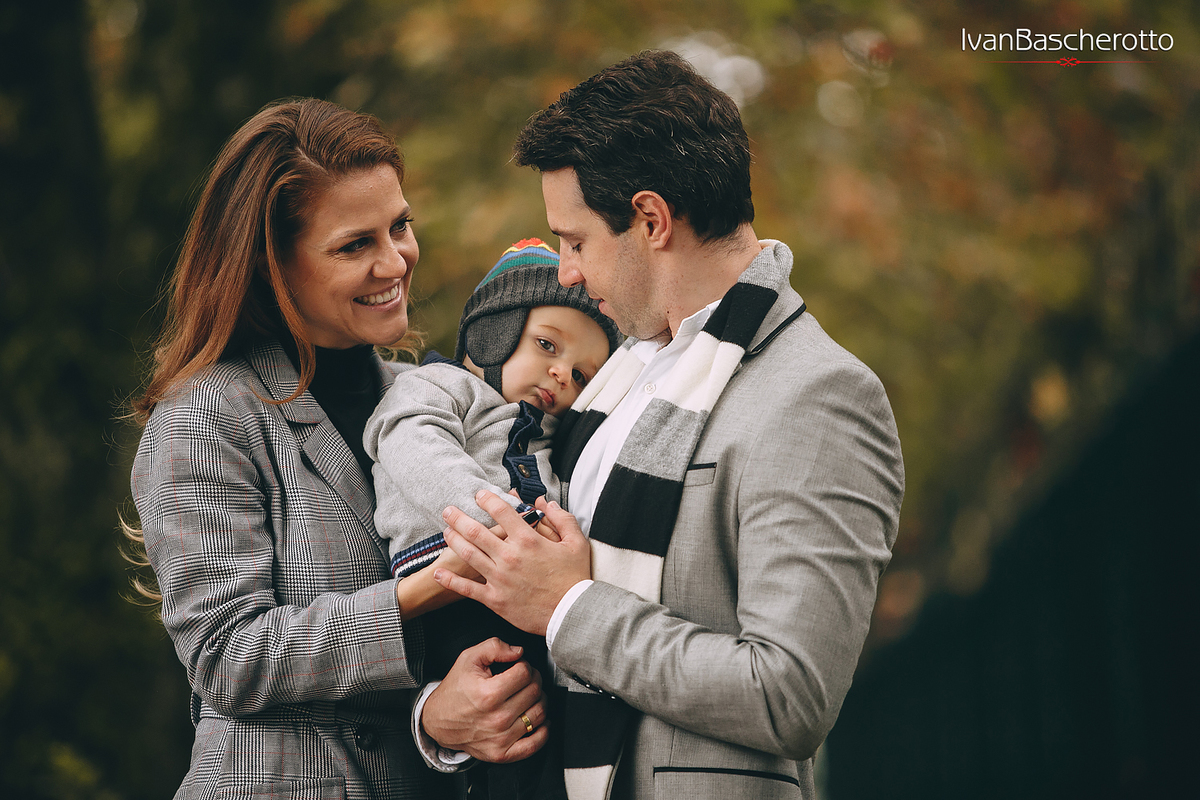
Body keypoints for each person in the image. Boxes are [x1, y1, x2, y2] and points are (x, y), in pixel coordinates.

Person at [423, 50, 906, 800]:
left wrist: (569, 607)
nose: (566, 272)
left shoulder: (818, 396)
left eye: (576, 241)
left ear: (650, 220)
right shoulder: (609, 378)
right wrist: (440, 714)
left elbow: (789, 695)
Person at [127, 98, 549, 800]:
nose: (395, 261)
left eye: (400, 226)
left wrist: (436, 722)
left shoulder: (429, 396)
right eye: (355, 246)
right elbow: (228, 658)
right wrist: (428, 586)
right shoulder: (207, 414)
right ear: (273, 266)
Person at [365, 237, 621, 799]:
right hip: (447, 585)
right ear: (493, 333)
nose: (562, 374)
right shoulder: (439, 386)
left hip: (522, 593)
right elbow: (413, 445)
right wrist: (505, 521)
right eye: (547, 345)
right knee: (500, 713)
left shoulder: (549, 435)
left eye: (582, 375)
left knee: (535, 727)